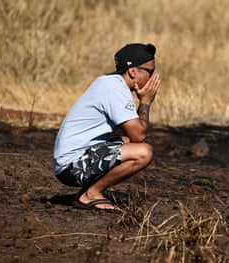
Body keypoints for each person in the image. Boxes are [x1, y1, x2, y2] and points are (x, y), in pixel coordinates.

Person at [53, 43, 160, 212]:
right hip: (71, 166)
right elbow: (140, 135)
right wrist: (146, 102)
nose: (154, 78)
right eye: (150, 72)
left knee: (130, 142)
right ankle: (90, 194)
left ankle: (89, 192)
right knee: (144, 152)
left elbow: (134, 135)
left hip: (74, 158)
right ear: (133, 72)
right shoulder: (114, 89)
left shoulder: (111, 84)